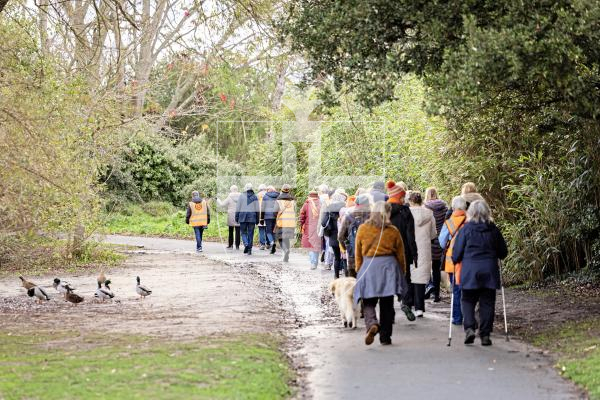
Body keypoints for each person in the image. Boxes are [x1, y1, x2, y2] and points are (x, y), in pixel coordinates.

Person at [452, 200, 508, 346]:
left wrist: (455, 259)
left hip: (470, 271)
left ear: (470, 212)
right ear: (487, 212)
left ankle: (470, 327)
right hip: (489, 270)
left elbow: (456, 253)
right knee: (487, 303)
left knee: (467, 300)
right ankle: (485, 335)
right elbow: (503, 253)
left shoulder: (465, 229)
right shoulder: (493, 230)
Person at [353, 201, 407, 346]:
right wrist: (402, 272)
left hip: (369, 266)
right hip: (388, 268)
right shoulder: (393, 230)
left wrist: (359, 270)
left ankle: (372, 324)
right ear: (388, 213)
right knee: (387, 304)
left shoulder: (363, 229)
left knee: (368, 300)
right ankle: (385, 337)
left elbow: (358, 252)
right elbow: (400, 254)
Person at [386, 180, 418, 321]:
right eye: (403, 196)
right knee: (405, 278)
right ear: (400, 197)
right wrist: (414, 253)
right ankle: (406, 302)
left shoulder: (383, 211)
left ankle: (389, 313)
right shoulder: (405, 211)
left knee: (388, 280)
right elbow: (411, 234)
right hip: (403, 250)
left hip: (386, 251)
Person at [439, 196, 468, 325]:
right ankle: (469, 317)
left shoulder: (449, 222)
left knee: (456, 290)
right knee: (468, 290)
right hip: (469, 261)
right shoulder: (470, 220)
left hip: (453, 262)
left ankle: (457, 318)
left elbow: (441, 242)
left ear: (453, 207)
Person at [407, 191, 437, 317]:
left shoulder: (406, 213)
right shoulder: (429, 214)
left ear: (410, 201)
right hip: (424, 247)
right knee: (420, 278)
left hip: (409, 247)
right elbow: (433, 234)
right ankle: (419, 308)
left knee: (410, 274)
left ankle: (409, 304)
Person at [424, 187, 448, 302]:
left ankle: (429, 288)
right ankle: (436, 294)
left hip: (429, 239)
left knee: (427, 266)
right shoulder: (444, 208)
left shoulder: (425, 208)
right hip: (440, 240)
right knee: (436, 267)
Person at [338, 194, 371, 278]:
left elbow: (341, 236)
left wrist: (346, 247)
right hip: (370, 256)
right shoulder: (373, 216)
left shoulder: (349, 217)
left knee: (353, 282)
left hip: (353, 255)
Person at [321, 192, 346, 278]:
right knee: (345, 256)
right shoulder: (345, 207)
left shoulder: (329, 207)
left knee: (337, 257)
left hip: (333, 235)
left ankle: (336, 276)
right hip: (344, 234)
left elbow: (323, 222)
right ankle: (346, 276)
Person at [235, 183, 259, 255]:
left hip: (243, 217)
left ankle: (246, 244)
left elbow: (238, 208)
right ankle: (249, 250)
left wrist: (236, 217)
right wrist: (257, 219)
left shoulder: (241, 196)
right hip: (252, 217)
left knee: (243, 232)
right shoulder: (255, 197)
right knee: (250, 233)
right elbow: (257, 209)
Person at [299, 190, 322, 269]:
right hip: (318, 227)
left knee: (310, 245)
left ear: (309, 196)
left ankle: (313, 262)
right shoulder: (321, 203)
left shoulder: (306, 204)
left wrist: (301, 225)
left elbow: (302, 216)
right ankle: (315, 262)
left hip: (308, 228)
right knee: (316, 244)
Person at [274, 184, 296, 262]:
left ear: (282, 190)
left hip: (281, 222)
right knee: (286, 239)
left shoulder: (278, 199)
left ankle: (285, 250)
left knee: (280, 238)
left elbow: (275, 211)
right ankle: (286, 256)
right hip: (291, 222)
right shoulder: (293, 200)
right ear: (289, 190)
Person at [217, 185, 241, 250]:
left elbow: (222, 204)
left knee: (231, 231)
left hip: (231, 215)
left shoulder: (229, 197)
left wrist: (218, 200)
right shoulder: (241, 197)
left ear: (231, 190)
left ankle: (230, 245)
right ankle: (237, 246)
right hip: (239, 215)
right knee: (238, 231)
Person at [262, 186, 280, 254]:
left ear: (268, 190)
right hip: (276, 216)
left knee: (268, 231)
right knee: (274, 230)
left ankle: (272, 242)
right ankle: (274, 244)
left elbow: (263, 208)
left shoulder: (265, 196)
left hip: (267, 216)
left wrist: (261, 218)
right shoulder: (278, 196)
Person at [256, 184, 269, 250]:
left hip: (259, 215)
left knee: (261, 229)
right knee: (267, 229)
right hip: (267, 215)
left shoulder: (257, 195)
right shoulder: (268, 195)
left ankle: (262, 244)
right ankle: (268, 243)